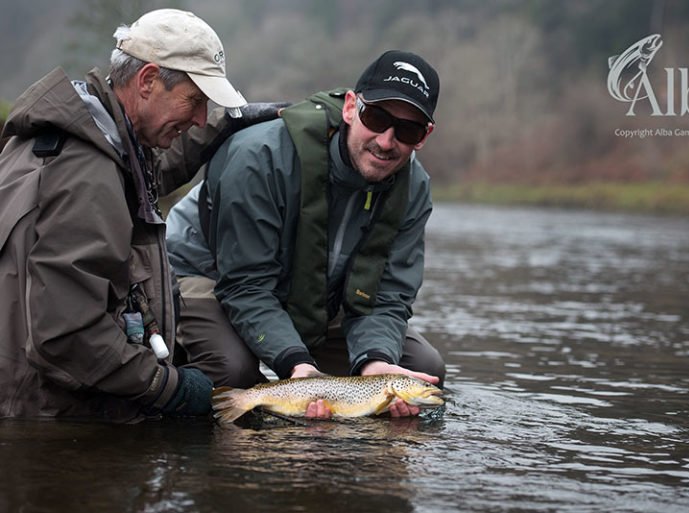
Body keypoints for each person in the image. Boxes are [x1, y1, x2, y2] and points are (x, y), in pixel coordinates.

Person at [0, 9, 282, 422]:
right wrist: (171, 389)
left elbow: (148, 175)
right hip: (42, 419)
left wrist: (227, 123)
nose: (201, 117)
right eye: (196, 101)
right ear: (148, 80)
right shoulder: (86, 175)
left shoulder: (91, 138)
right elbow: (67, 335)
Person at [165, 50, 446, 418]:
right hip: (210, 277)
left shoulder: (414, 189)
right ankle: (176, 365)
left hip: (311, 295)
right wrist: (296, 365)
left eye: (407, 130)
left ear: (424, 136)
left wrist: (375, 362)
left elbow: (387, 297)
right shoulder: (259, 157)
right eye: (376, 117)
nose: (386, 140)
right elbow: (245, 286)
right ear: (350, 108)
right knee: (235, 375)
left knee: (425, 366)